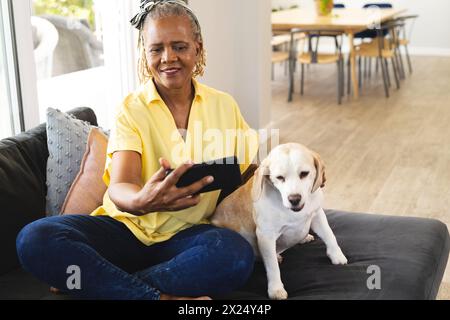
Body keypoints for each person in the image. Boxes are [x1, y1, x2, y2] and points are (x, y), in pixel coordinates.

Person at [16, 0, 259, 300]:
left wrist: (295, 168)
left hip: (189, 236)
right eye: (156, 49)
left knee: (235, 255)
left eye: (179, 46)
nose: (168, 58)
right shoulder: (131, 109)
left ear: (198, 47)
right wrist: (143, 200)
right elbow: (121, 184)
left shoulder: (224, 105)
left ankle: (105, 285)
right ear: (145, 53)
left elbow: (249, 170)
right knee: (35, 238)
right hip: (126, 231)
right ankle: (153, 296)